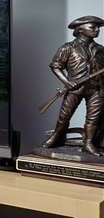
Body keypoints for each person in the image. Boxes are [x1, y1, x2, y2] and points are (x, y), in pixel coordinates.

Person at [41, 15, 104, 155]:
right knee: (64, 116)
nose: (97, 30)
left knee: (93, 118)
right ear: (80, 29)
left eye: (98, 27)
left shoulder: (100, 49)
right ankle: (56, 137)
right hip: (75, 88)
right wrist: (66, 82)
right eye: (92, 27)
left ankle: (88, 143)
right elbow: (55, 66)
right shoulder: (68, 48)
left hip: (96, 89)